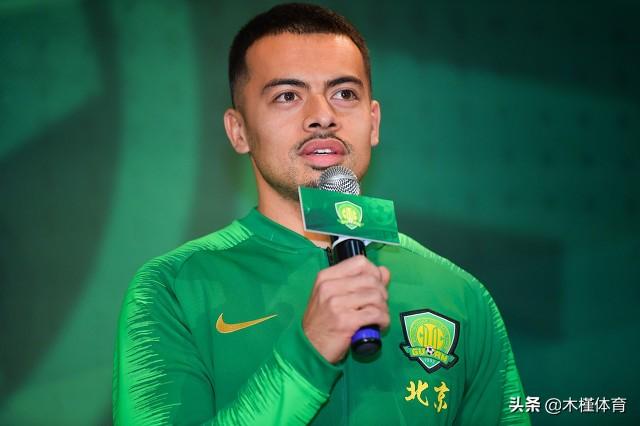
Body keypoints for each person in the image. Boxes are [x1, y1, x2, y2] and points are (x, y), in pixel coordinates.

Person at [113, 3, 530, 425]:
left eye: (344, 94)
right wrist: (308, 354)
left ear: (373, 122)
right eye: (287, 96)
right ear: (239, 131)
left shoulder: (459, 294)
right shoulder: (173, 288)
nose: (322, 116)